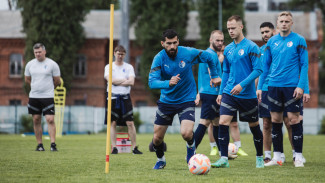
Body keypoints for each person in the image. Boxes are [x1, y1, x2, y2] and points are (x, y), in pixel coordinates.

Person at [148, 29, 221, 169]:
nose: (172, 46)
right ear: (163, 43)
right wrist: (167, 83)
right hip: (166, 101)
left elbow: (210, 57)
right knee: (157, 139)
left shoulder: (187, 53)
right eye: (169, 43)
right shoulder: (159, 58)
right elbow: (152, 82)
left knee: (186, 133)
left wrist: (215, 75)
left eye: (175, 43)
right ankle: (161, 160)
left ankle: (190, 149)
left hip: (186, 99)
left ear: (178, 42)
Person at [211, 15, 264, 168]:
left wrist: (242, 85)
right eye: (228, 29)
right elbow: (226, 72)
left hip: (247, 95)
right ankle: (223, 159)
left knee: (254, 126)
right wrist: (221, 92)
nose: (230, 31)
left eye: (233, 28)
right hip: (229, 93)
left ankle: (260, 157)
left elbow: (258, 70)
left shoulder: (252, 47)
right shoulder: (227, 49)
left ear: (241, 27)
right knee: (223, 122)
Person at [257, 11, 308, 168]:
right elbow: (265, 66)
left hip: (292, 87)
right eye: (282, 21)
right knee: (275, 121)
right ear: (277, 24)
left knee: (293, 120)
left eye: (287, 21)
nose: (284, 23)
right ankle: (278, 156)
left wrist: (301, 86)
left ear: (291, 23)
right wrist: (259, 87)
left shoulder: (299, 40)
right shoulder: (271, 42)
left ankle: (298, 156)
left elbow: (304, 65)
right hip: (273, 86)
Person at [194, 30, 248, 158]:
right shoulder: (210, 55)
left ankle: (223, 152)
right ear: (210, 40)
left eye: (221, 41)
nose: (220, 43)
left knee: (218, 123)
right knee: (204, 123)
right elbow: (211, 73)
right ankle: (191, 151)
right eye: (217, 40)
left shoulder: (209, 54)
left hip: (211, 93)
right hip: (211, 93)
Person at [104, 45, 142, 155]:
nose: (120, 56)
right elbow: (109, 80)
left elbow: (131, 82)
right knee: (113, 123)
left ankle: (134, 148)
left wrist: (117, 81)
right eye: (118, 53)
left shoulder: (129, 67)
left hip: (125, 98)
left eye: (122, 54)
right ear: (114, 53)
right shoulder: (109, 67)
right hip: (112, 97)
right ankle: (114, 147)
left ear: (124, 55)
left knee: (130, 123)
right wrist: (124, 80)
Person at [24, 43, 61, 151]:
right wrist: (35, 86)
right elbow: (27, 79)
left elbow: (57, 80)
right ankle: (40, 145)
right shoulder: (30, 64)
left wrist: (49, 88)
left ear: (44, 51)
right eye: (36, 52)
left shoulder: (52, 64)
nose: (38, 54)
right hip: (34, 96)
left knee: (50, 119)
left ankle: (53, 144)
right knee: (36, 119)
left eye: (39, 52)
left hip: (48, 96)